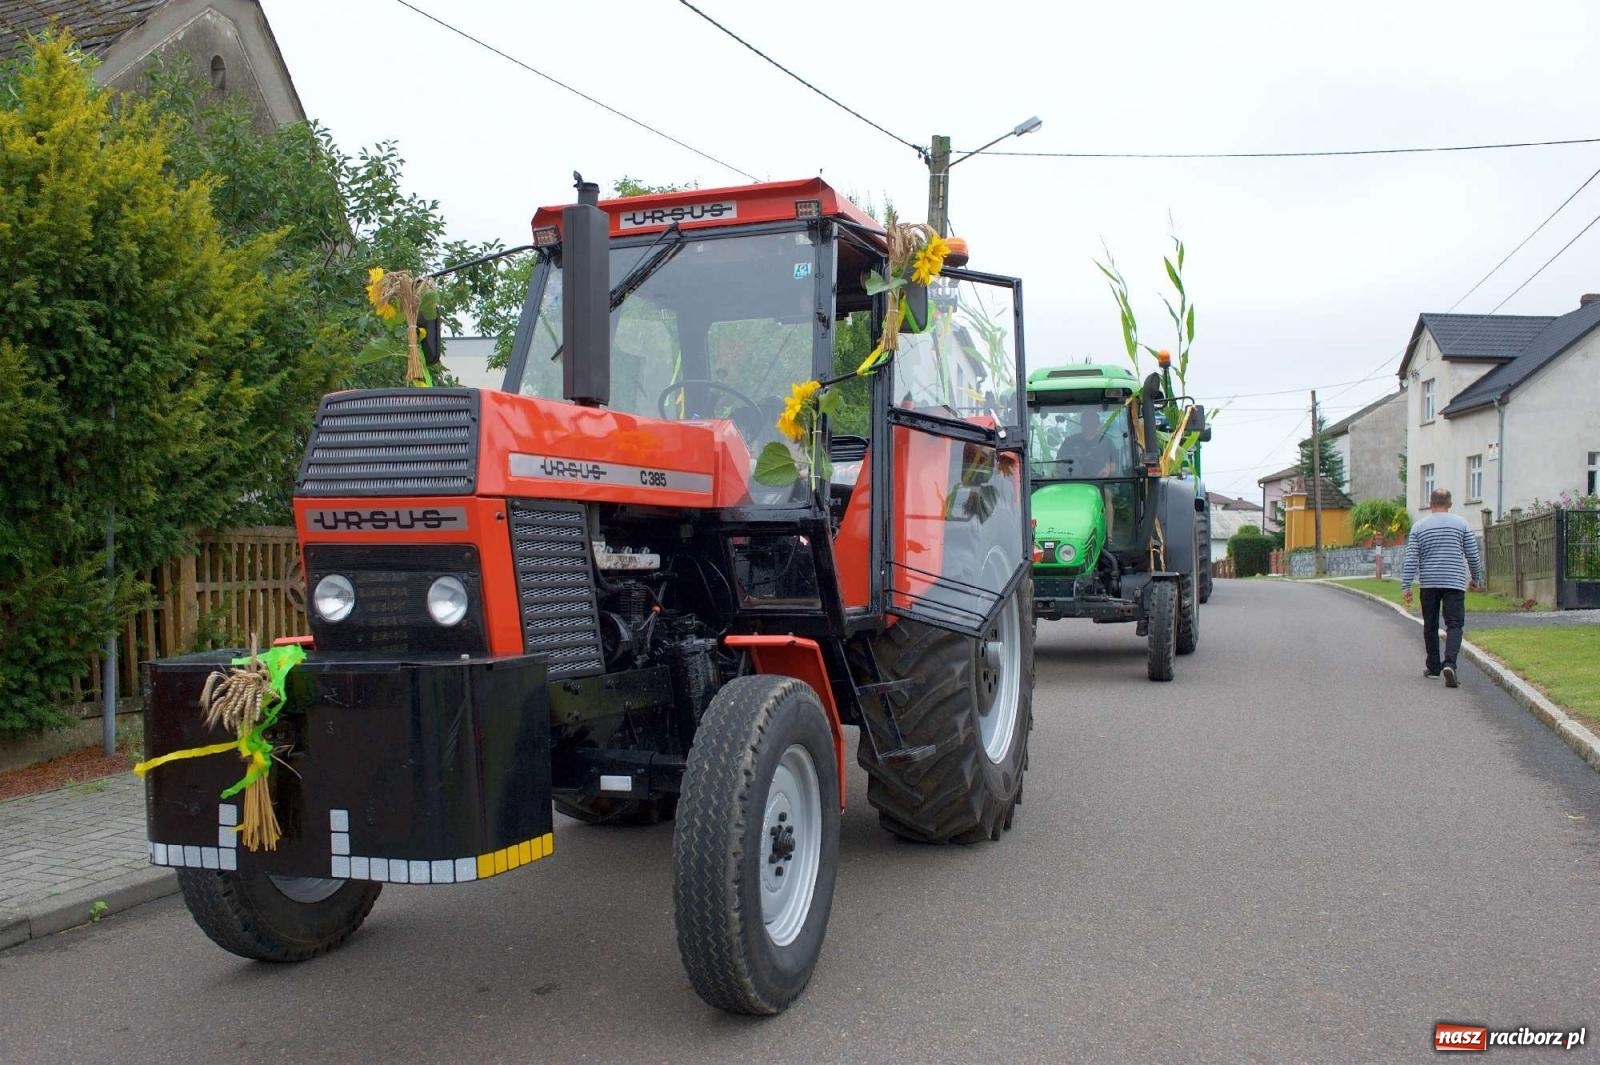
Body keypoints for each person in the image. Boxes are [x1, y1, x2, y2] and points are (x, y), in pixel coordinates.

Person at [1400, 488, 1485, 688]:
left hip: (1429, 582)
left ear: (1430, 504)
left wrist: (1406, 586)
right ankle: (1450, 664)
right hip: (1454, 581)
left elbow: (1411, 557)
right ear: (1450, 504)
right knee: (1454, 624)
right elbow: (1473, 555)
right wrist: (1476, 578)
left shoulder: (1419, 527)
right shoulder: (1462, 524)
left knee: (1430, 624)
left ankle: (1433, 666)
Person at [1055, 410, 1121, 477]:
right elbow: (1059, 462)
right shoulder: (1069, 442)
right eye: (1087, 422)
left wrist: (1107, 469)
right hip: (1072, 481)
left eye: (1092, 422)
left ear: (1098, 424)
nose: (1089, 425)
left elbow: (1113, 465)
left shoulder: (1107, 443)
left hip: (1100, 482)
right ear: (1082, 423)